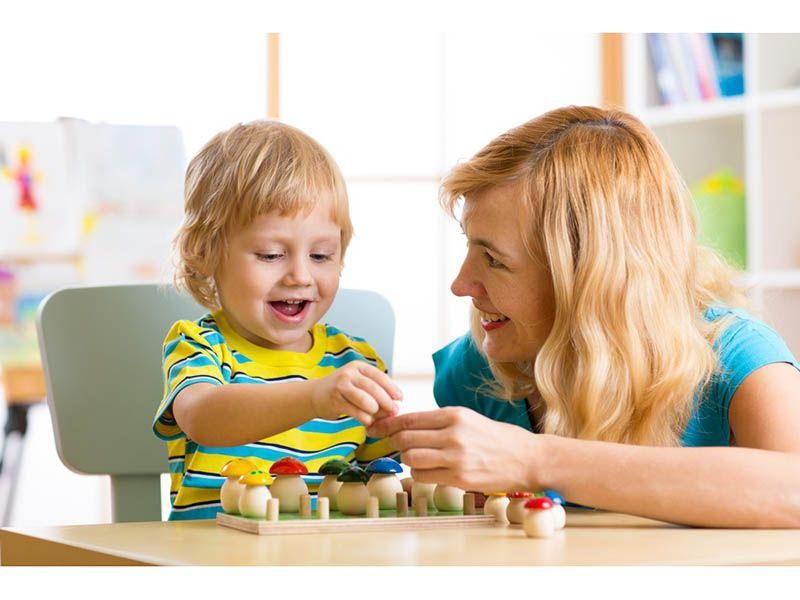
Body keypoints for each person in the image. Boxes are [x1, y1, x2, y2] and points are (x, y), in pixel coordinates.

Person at [368, 105, 800, 528]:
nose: (461, 284)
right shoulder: (478, 369)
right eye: (470, 246)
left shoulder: (738, 358)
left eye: (495, 260)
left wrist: (532, 460)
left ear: (590, 275)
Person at [152, 120, 402, 520]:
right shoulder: (200, 345)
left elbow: (382, 483)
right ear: (205, 252)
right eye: (271, 255)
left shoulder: (354, 362)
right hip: (211, 550)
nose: (300, 276)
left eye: (321, 255)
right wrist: (314, 397)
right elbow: (202, 418)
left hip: (325, 552)